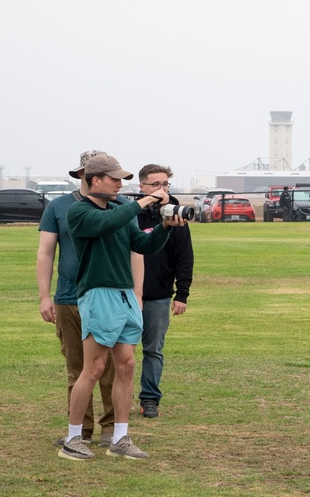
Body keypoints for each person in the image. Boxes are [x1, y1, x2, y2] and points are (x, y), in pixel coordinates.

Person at [58, 154, 184, 462]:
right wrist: (145, 201)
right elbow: (104, 224)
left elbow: (141, 245)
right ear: (94, 179)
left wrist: (165, 228)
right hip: (98, 294)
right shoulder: (79, 211)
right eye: (114, 179)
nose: (119, 184)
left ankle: (120, 438)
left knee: (126, 365)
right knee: (94, 367)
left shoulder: (119, 211)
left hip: (125, 294)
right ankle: (73, 439)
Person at [38, 150, 117, 448]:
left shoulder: (118, 208)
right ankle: (80, 431)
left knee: (110, 367)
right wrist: (45, 296)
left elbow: (134, 253)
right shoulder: (58, 207)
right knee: (77, 367)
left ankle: (111, 428)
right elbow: (45, 251)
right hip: (69, 298)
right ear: (84, 174)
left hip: (107, 298)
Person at [135, 164, 194, 420]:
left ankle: (149, 399)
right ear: (142, 187)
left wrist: (182, 294)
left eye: (165, 185)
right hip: (124, 294)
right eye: (156, 185)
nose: (162, 190)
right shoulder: (129, 214)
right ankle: (112, 399)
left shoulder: (176, 215)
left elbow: (184, 256)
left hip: (158, 295)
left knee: (153, 350)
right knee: (116, 351)